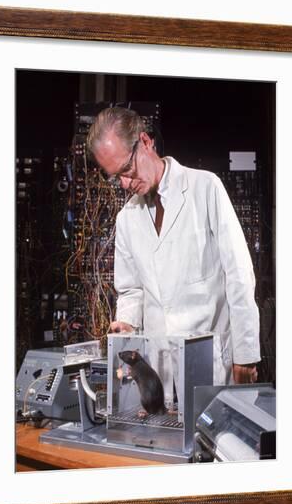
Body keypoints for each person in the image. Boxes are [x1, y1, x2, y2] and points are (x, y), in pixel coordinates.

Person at [87, 107, 260, 386]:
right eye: (115, 176)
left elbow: (239, 275)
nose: (125, 183)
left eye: (127, 169)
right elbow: (131, 289)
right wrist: (128, 322)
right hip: (158, 371)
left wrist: (246, 355)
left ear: (145, 142)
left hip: (213, 363)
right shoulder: (126, 218)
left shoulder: (205, 188)